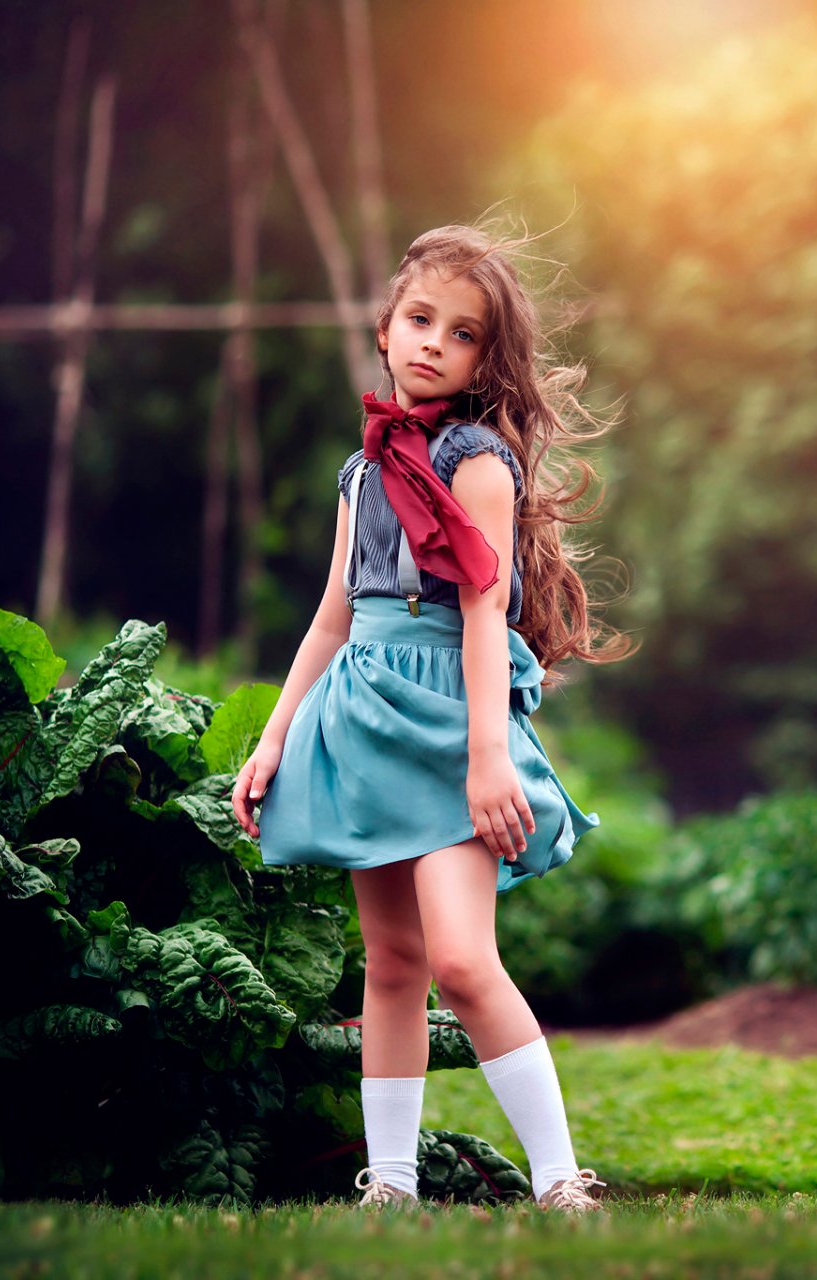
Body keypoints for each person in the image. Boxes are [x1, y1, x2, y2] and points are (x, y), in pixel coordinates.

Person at [230, 223, 635, 1213]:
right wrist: (277, 735)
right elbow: (332, 613)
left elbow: (483, 611)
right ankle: (394, 1187)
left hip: (452, 717)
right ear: (385, 326)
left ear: (480, 360)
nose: (431, 342)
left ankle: (558, 1180)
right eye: (419, 319)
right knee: (396, 961)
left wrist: (489, 759)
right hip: (364, 714)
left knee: (460, 956)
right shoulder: (360, 470)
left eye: (458, 334)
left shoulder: (478, 462)